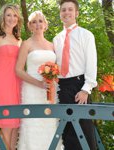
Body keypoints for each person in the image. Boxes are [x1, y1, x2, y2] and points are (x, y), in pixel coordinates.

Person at [53, 0, 97, 150]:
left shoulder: (86, 35)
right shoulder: (56, 39)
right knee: (67, 130)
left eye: (70, 9)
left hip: (80, 85)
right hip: (62, 86)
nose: (66, 12)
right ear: (60, 14)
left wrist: (86, 89)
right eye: (63, 10)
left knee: (84, 129)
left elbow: (91, 63)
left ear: (76, 13)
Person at [16, 11, 63, 150]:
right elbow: (18, 70)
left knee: (49, 122)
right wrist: (38, 84)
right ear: (29, 26)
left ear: (45, 25)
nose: (38, 24)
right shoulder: (26, 44)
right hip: (32, 89)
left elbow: (58, 69)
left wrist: (52, 81)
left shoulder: (52, 45)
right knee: (33, 122)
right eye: (34, 22)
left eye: (40, 21)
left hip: (50, 90)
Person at [0, 4, 22, 150]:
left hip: (18, 84)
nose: (11, 18)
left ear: (18, 18)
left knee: (15, 126)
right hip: (2, 83)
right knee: (6, 124)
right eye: (8, 15)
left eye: (14, 15)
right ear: (3, 17)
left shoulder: (19, 40)